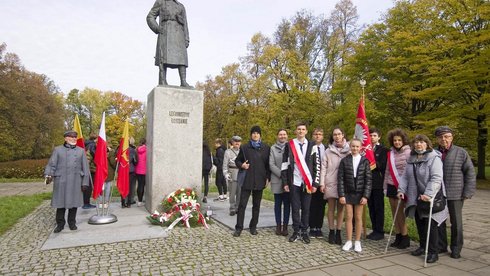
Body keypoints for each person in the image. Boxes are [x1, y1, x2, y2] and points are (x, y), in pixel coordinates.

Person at [398, 134, 448, 263]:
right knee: (420, 222)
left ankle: (433, 252)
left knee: (430, 225)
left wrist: (428, 194)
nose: (419, 144)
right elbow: (405, 177)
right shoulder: (411, 158)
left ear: (427, 144)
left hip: (431, 197)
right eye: (416, 142)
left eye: (421, 142)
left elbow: (436, 177)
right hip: (416, 197)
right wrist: (401, 190)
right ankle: (422, 246)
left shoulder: (434, 158)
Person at [434, 126, 476, 259]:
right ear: (437, 139)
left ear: (452, 137)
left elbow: (470, 172)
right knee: (439, 221)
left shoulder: (461, 152)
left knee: (456, 222)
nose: (444, 139)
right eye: (441, 137)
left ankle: (456, 248)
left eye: (446, 136)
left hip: (456, 193)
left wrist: (468, 191)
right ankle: (441, 246)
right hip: (439, 194)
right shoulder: (433, 153)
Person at [281, 122, 320, 244]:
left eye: (303, 129)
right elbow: (284, 165)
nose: (301, 131)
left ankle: (304, 231)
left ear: (306, 131)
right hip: (294, 181)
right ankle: (296, 231)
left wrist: (315, 183)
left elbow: (317, 165)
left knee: (306, 209)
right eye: (299, 129)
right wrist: (285, 182)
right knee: (295, 208)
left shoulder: (312, 145)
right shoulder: (290, 145)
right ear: (295, 131)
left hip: (307, 182)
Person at [44, 130, 90, 233]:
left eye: (75, 137)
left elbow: (85, 168)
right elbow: (52, 164)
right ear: (65, 138)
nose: (73, 139)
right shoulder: (58, 150)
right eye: (71, 137)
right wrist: (48, 175)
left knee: (74, 204)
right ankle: (60, 224)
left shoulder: (80, 151)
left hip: (76, 181)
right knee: (60, 204)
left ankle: (72, 222)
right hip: (61, 181)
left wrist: (85, 182)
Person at [233, 126, 271, 237]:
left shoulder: (266, 148)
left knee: (256, 205)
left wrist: (267, 178)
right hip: (247, 180)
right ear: (251, 135)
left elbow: (268, 165)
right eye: (253, 133)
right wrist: (242, 165)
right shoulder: (245, 147)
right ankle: (239, 228)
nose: (255, 135)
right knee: (242, 205)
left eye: (257, 133)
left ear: (260, 135)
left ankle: (253, 226)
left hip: (260, 180)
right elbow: (237, 160)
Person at [338, 139, 372, 252]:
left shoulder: (365, 161)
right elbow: (341, 179)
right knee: (348, 217)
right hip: (348, 193)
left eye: (357, 146)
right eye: (353, 146)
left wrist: (366, 196)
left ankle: (357, 241)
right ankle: (348, 241)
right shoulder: (344, 161)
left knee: (358, 217)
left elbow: (368, 180)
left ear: (361, 148)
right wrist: (341, 195)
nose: (355, 148)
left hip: (360, 193)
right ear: (350, 147)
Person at [147, 0, 190, 87]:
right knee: (164, 58)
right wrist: (157, 28)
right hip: (166, 31)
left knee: (181, 57)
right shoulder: (160, 2)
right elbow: (150, 17)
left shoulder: (181, 6)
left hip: (179, 33)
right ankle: (162, 80)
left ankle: (183, 81)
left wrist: (186, 38)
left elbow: (185, 24)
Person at [319, 127, 350, 245]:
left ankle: (338, 231)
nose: (337, 136)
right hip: (330, 181)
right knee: (331, 208)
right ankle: (331, 230)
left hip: (344, 183)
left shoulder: (349, 150)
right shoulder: (328, 151)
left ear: (343, 135)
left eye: (339, 134)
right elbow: (323, 168)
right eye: (335, 135)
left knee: (341, 209)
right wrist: (322, 183)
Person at [383, 128, 411, 249]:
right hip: (391, 185)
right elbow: (387, 171)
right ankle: (398, 235)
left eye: (399, 140)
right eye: (395, 140)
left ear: (403, 140)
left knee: (400, 212)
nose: (397, 142)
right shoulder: (391, 153)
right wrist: (385, 187)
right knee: (394, 211)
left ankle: (405, 236)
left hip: (402, 186)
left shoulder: (409, 152)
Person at [367, 128, 388, 240]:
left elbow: (382, 165)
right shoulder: (365, 149)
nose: (372, 137)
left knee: (379, 207)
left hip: (378, 183)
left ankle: (379, 231)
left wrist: (372, 159)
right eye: (370, 135)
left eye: (374, 135)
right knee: (371, 207)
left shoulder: (383, 150)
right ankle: (374, 229)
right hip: (368, 183)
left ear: (379, 137)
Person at [269, 129, 290, 236]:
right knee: (277, 204)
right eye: (280, 134)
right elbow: (271, 164)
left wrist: (287, 176)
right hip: (277, 179)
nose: (282, 136)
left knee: (287, 204)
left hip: (288, 181)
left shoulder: (291, 146)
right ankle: (278, 225)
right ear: (277, 136)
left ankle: (285, 226)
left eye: (284, 134)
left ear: (287, 136)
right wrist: (282, 174)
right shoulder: (272, 148)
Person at [309, 128, 327, 238]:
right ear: (312, 135)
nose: (317, 136)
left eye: (320, 134)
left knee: (321, 205)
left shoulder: (326, 149)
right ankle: (312, 227)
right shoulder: (309, 147)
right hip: (311, 181)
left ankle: (319, 227)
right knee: (312, 205)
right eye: (316, 134)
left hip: (322, 181)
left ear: (323, 136)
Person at [223, 136, 242, 216]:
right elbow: (225, 164)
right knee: (232, 193)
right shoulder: (228, 152)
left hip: (241, 174)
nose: (237, 143)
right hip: (232, 173)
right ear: (232, 142)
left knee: (240, 193)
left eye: (239, 141)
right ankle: (232, 208)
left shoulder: (243, 151)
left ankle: (238, 208)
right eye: (235, 141)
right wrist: (226, 173)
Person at [121, 137, 138, 208]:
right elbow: (135, 161)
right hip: (130, 170)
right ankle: (128, 203)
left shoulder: (120, 149)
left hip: (122, 169)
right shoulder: (133, 150)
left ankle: (123, 202)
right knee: (130, 187)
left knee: (123, 187)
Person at [82, 133, 97, 209]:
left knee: (87, 185)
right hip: (90, 169)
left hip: (87, 168)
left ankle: (85, 202)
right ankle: (86, 203)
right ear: (95, 139)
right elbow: (95, 156)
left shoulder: (86, 144)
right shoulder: (92, 145)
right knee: (89, 186)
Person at [135, 138, 147, 207]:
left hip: (137, 170)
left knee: (139, 185)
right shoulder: (147, 149)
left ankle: (139, 201)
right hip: (144, 170)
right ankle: (143, 200)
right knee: (143, 185)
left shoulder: (137, 149)